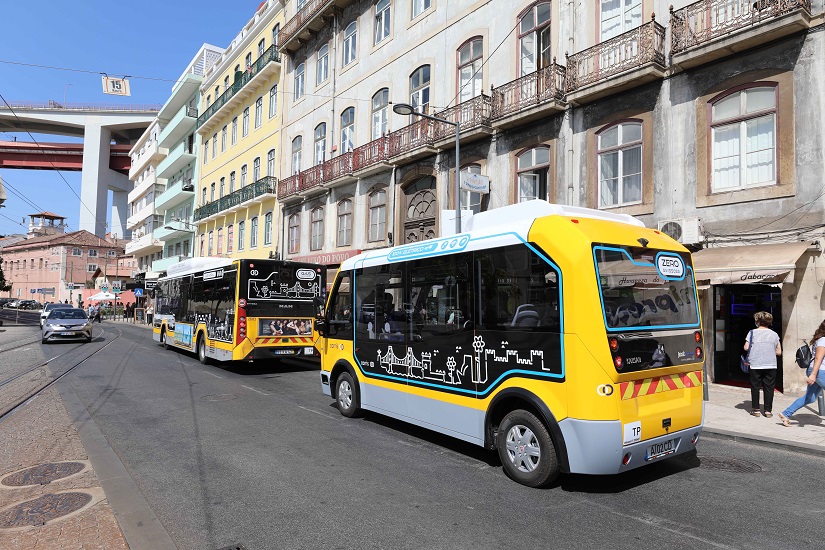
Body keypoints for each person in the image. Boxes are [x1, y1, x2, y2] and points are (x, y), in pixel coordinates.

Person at [778, 319, 825, 427]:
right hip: (819, 371)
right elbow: (818, 358)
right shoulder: (823, 340)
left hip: (817, 371)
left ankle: (785, 414)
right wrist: (813, 375)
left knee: (810, 398)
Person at [743, 311, 781, 417]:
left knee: (755, 387)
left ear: (758, 321)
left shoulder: (752, 333)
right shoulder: (774, 334)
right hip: (770, 364)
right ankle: (768, 411)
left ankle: (756, 410)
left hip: (755, 364)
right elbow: (779, 352)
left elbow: (746, 347)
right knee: (769, 387)